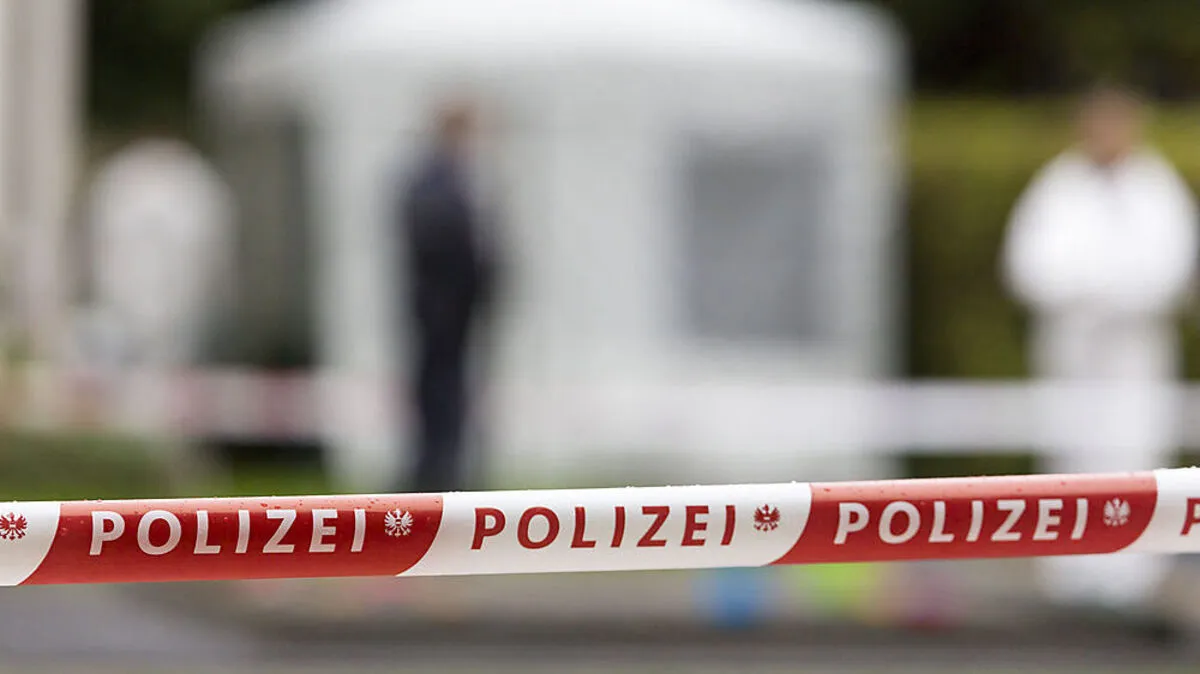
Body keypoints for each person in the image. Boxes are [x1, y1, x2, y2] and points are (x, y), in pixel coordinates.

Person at [1001, 84, 1198, 619]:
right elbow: (1030, 265)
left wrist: (1115, 296)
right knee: (1070, 452)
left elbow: (1171, 268)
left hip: (1135, 354)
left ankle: (1134, 575)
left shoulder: (1156, 188)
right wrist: (1087, 293)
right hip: (1072, 350)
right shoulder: (1058, 186)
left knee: (1134, 451)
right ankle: (1071, 571)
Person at [397, 104, 498, 493]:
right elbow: (439, 243)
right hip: (441, 309)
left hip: (455, 310)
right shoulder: (433, 182)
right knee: (438, 392)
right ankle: (435, 472)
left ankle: (447, 468)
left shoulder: (457, 179)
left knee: (450, 391)